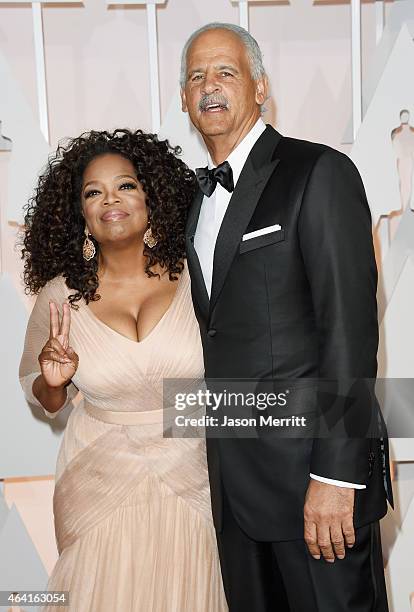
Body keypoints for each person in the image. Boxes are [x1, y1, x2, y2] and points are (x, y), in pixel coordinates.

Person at [180, 22, 393, 611]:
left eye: (226, 71)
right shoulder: (192, 202)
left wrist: (337, 475)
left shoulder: (318, 172)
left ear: (260, 86)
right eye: (196, 76)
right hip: (234, 493)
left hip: (314, 487)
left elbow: (349, 332)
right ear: (183, 99)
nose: (210, 86)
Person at [19, 129, 227, 612]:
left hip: (194, 473)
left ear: (151, 197)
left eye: (126, 185)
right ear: (81, 215)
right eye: (94, 192)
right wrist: (54, 382)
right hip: (98, 479)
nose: (111, 199)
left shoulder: (200, 275)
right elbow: (45, 398)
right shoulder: (59, 296)